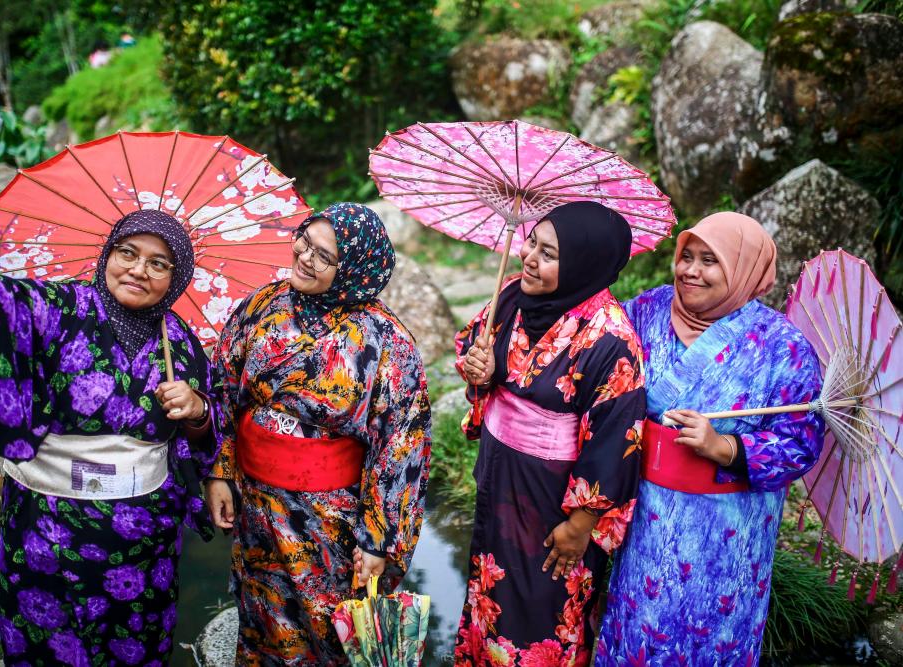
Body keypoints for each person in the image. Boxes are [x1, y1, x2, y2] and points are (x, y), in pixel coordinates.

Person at [0, 156, 221, 665]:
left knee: (136, 650)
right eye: (127, 253)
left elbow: (202, 435)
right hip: (48, 533)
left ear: (176, 278)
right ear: (106, 254)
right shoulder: (57, 309)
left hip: (144, 545)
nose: (138, 269)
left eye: (159, 263)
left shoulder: (181, 341)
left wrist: (196, 410)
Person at [205, 202, 432, 665]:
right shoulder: (262, 306)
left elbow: (402, 446)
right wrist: (219, 473)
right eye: (304, 241)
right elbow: (224, 388)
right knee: (261, 617)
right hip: (255, 503)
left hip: (330, 518)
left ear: (353, 268)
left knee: (330, 630)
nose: (305, 257)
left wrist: (378, 540)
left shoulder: (385, 340)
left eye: (324, 256)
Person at [595, 212, 825, 664]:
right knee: (638, 627)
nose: (690, 271)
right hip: (645, 516)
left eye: (709, 261)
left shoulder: (783, 347)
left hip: (727, 532)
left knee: (710, 635)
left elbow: (801, 442)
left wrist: (724, 447)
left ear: (744, 269)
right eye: (686, 257)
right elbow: (599, 370)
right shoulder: (647, 310)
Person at [452, 201, 647, 666]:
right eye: (531, 242)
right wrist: (479, 369)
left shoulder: (610, 339)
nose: (529, 257)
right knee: (489, 589)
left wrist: (580, 526)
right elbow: (474, 345)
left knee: (542, 607)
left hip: (553, 499)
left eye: (549, 253)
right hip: (500, 476)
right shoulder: (514, 295)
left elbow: (616, 437)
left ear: (585, 261)